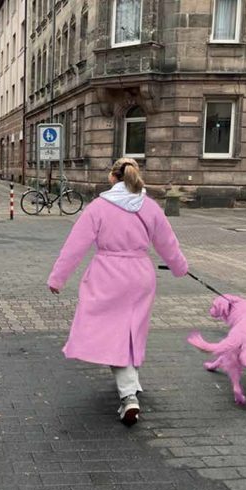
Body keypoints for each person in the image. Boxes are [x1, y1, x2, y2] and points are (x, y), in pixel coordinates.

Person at [47, 158, 188, 427]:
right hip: (140, 275)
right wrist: (180, 268)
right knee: (132, 330)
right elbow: (168, 242)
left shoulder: (99, 207)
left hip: (107, 275)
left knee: (113, 333)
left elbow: (75, 245)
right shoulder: (150, 207)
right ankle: (131, 383)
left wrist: (58, 278)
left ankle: (128, 395)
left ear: (112, 178)